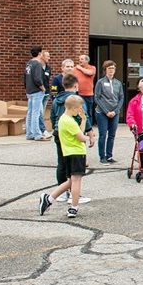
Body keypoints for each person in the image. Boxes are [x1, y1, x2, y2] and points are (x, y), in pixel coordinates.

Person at [39, 95, 91, 219]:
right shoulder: (69, 121)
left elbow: (78, 131)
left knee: (70, 181)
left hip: (68, 153)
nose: (80, 110)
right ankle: (74, 207)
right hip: (76, 153)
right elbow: (81, 137)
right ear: (74, 108)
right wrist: (89, 138)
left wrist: (83, 120)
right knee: (76, 181)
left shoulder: (63, 119)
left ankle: (49, 199)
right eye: (79, 108)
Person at [49, 73, 94, 204]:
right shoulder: (76, 100)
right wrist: (90, 134)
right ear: (76, 85)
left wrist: (56, 128)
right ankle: (74, 195)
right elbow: (83, 116)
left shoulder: (57, 100)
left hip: (59, 132)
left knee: (62, 163)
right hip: (74, 132)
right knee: (75, 169)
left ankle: (62, 192)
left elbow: (52, 116)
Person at [94, 60, 124, 165]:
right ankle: (102, 157)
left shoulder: (118, 83)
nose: (111, 70)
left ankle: (109, 156)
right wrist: (106, 111)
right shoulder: (100, 82)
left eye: (113, 68)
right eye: (109, 68)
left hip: (114, 113)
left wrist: (115, 111)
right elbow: (97, 98)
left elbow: (121, 98)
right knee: (103, 134)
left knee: (112, 135)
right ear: (105, 70)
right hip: (102, 112)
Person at [25, 46, 52, 141]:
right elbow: (37, 78)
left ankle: (29, 133)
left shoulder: (29, 63)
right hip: (37, 91)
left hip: (29, 90)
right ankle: (37, 134)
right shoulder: (37, 64)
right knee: (36, 113)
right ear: (40, 53)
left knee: (30, 112)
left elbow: (25, 77)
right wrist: (43, 88)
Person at [73, 54, 97, 129]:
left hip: (88, 94)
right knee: (79, 111)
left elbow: (89, 73)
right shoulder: (74, 69)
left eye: (82, 59)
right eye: (79, 59)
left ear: (87, 60)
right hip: (78, 94)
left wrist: (80, 68)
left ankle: (89, 128)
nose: (80, 60)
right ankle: (80, 128)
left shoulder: (92, 68)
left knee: (88, 112)